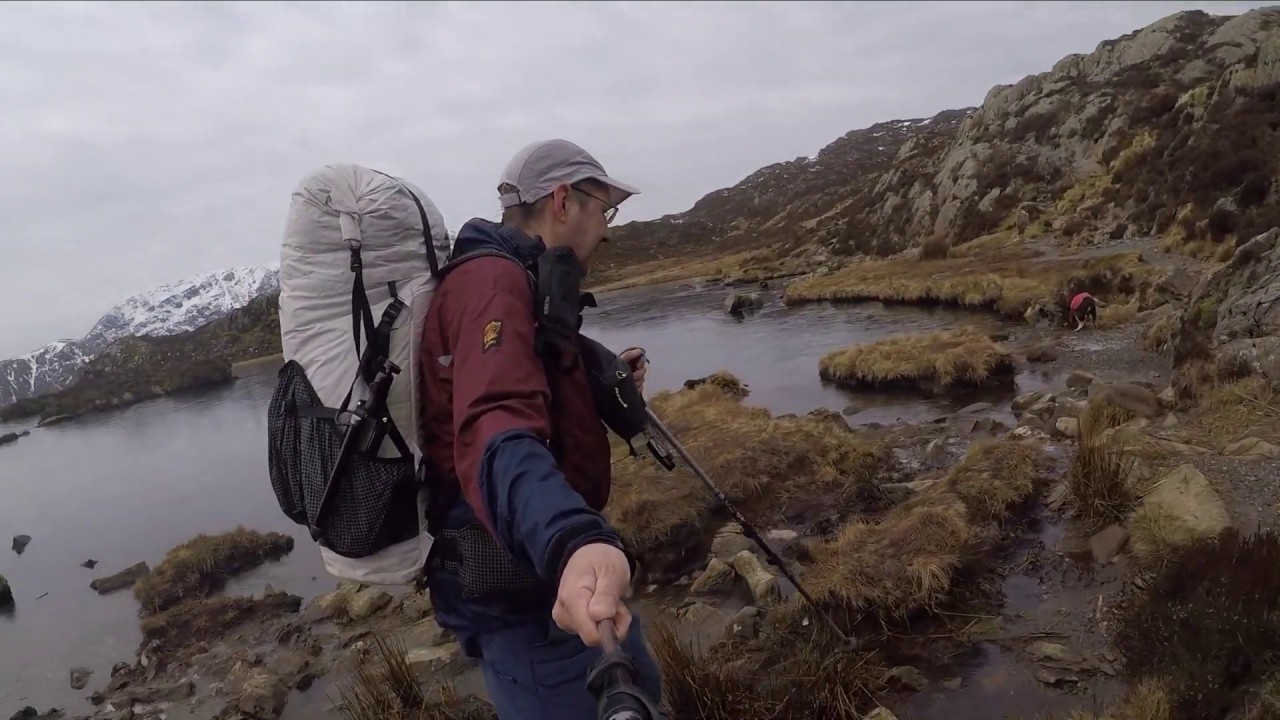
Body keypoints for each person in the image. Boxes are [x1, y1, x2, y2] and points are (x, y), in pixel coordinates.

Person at [417, 138, 664, 719]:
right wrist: (572, 540)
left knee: (642, 687)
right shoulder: (493, 286)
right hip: (530, 598)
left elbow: (524, 384)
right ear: (561, 200)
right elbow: (494, 426)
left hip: (553, 581)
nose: (606, 229)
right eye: (604, 209)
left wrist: (597, 380)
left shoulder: (524, 281)